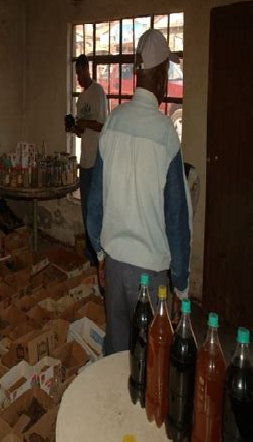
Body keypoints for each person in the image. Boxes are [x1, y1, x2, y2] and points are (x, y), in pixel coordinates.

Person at [86, 29, 192, 355]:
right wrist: (182, 286)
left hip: (116, 269)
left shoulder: (113, 124)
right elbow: (177, 219)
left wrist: (101, 257)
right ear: (160, 77)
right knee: (151, 364)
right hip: (151, 276)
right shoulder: (165, 135)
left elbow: (95, 205)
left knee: (117, 358)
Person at [69, 54, 108, 269]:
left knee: (96, 210)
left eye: (80, 73)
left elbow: (103, 125)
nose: (78, 78)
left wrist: (83, 122)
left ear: (87, 70)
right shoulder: (81, 99)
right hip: (84, 161)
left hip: (97, 160)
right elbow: (81, 132)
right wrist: (72, 127)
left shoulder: (98, 92)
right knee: (86, 211)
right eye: (76, 74)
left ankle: (99, 257)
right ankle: (90, 255)